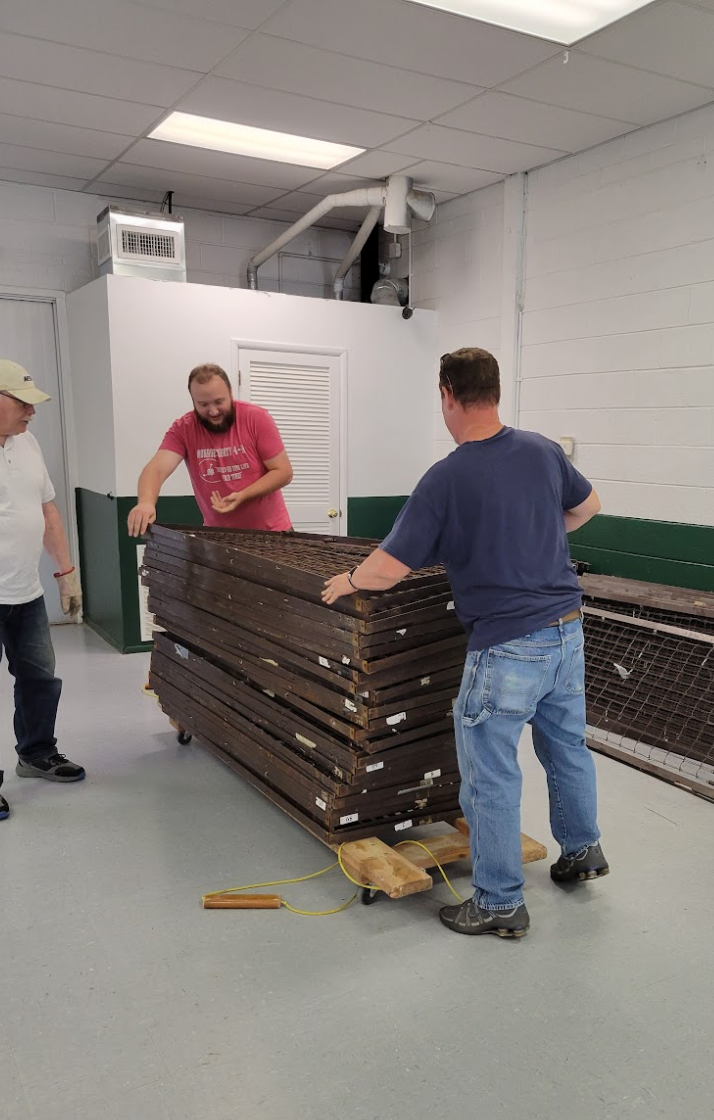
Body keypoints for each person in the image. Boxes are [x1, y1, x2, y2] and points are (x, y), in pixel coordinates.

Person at [322, 347, 606, 938]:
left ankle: (500, 902)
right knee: (568, 749)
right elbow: (588, 507)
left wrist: (345, 582)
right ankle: (582, 852)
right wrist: (536, 536)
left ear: (447, 394)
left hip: (505, 646)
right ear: (495, 392)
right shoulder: (544, 451)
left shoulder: (447, 477)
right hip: (567, 633)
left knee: (491, 774)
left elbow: (387, 568)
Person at [0, 358, 85, 823]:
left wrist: (65, 573)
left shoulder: (26, 441)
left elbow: (47, 510)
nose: (31, 413)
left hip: (26, 591)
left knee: (40, 680)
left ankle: (36, 754)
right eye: (22, 403)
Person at [127, 363, 294, 537]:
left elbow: (283, 472)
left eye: (219, 402)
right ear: (193, 401)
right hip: (218, 537)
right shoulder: (184, 429)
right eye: (203, 404)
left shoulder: (256, 418)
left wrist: (243, 495)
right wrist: (146, 503)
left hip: (272, 534)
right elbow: (156, 469)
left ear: (230, 393)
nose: (213, 411)